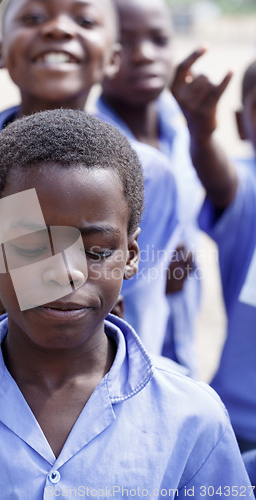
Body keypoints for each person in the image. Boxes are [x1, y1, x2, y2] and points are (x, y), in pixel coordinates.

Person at [0, 110, 251, 498]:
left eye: (96, 252)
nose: (66, 273)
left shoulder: (193, 418)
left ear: (130, 256)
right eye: (32, 246)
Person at [0, 0, 179, 354]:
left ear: (113, 59)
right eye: (33, 17)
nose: (57, 29)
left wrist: (6, 318)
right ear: (0, 51)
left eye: (85, 19)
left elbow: (126, 305)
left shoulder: (149, 173)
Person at [94, 0, 203, 375]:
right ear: (103, 53)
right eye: (125, 43)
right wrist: (155, 272)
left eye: (159, 40)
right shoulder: (91, 156)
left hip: (178, 336)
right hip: (120, 358)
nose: (144, 55)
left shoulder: (181, 128)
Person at [172, 53, 256, 451]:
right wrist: (201, 134)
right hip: (241, 430)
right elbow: (222, 181)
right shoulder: (249, 189)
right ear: (242, 123)